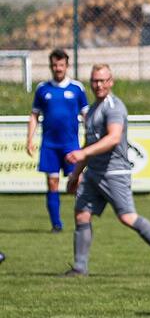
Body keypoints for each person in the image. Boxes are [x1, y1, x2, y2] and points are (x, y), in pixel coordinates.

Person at [63, 64, 150, 277]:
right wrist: (76, 173)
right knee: (81, 215)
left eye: (103, 80)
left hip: (114, 172)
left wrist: (81, 155)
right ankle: (80, 268)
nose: (98, 85)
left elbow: (114, 138)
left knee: (127, 217)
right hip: (93, 174)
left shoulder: (114, 107)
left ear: (111, 82)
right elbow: (87, 144)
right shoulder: (90, 110)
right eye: (95, 81)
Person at [26, 49, 89, 233]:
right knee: (52, 183)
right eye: (54, 65)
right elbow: (34, 115)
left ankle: (82, 221)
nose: (58, 68)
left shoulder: (77, 88)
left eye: (61, 65)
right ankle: (56, 224)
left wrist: (91, 138)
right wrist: (29, 139)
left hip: (71, 145)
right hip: (50, 145)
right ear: (50, 66)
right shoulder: (43, 89)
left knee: (77, 183)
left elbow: (87, 115)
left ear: (66, 66)